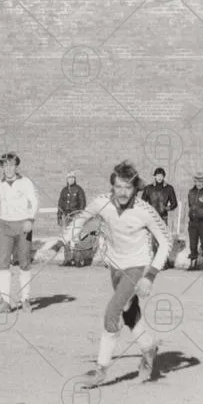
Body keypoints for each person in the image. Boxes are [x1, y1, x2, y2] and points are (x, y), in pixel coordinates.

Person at [65, 160, 172, 386]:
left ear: (135, 188)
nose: (122, 192)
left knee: (112, 312)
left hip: (138, 266)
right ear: (112, 186)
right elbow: (82, 217)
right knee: (129, 312)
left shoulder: (145, 211)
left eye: (128, 187)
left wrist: (150, 276)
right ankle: (149, 348)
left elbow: (166, 241)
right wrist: (70, 236)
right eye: (118, 187)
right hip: (114, 265)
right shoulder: (102, 202)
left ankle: (100, 370)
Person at [0, 152, 38, 314]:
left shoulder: (25, 182)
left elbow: (34, 201)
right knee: (3, 263)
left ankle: (25, 299)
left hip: (23, 225)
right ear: (2, 167)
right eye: (5, 165)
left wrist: (30, 219)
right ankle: (5, 301)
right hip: (5, 227)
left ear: (16, 166)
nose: (8, 168)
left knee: (24, 262)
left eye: (11, 165)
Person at [57, 171, 86, 267]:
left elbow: (82, 204)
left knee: (76, 238)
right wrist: (59, 216)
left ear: (75, 179)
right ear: (67, 179)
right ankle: (68, 259)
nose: (71, 179)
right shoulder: (64, 190)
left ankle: (78, 260)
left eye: (73, 178)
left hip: (75, 216)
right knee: (66, 238)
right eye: (69, 178)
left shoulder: (79, 190)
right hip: (66, 217)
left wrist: (79, 215)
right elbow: (60, 204)